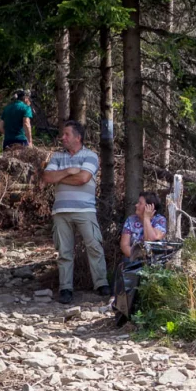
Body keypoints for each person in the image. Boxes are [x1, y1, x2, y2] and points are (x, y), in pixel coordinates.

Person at [42, 120, 109, 304]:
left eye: (67, 134)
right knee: (64, 252)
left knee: (94, 246)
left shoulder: (90, 155)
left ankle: (101, 284)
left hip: (85, 210)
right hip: (60, 211)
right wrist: (70, 170)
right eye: (63, 134)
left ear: (78, 138)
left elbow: (83, 178)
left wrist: (59, 176)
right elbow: (47, 176)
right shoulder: (57, 156)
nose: (62, 137)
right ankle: (65, 289)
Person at [120, 192, 167, 259]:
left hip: (154, 260)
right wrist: (137, 257)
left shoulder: (160, 220)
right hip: (133, 259)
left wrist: (146, 219)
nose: (136, 205)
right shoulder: (131, 220)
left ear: (149, 207)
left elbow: (152, 240)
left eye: (140, 203)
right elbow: (124, 245)